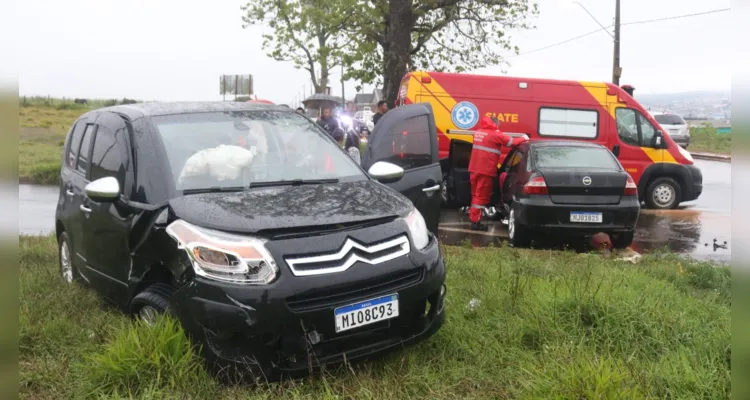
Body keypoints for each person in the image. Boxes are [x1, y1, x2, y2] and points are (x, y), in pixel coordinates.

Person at [467, 116, 528, 231]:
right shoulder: (495, 134)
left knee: (475, 195)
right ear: (494, 123)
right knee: (481, 197)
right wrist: (524, 137)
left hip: (474, 168)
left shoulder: (479, 132)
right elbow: (512, 142)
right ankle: (475, 222)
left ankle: (474, 217)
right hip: (485, 170)